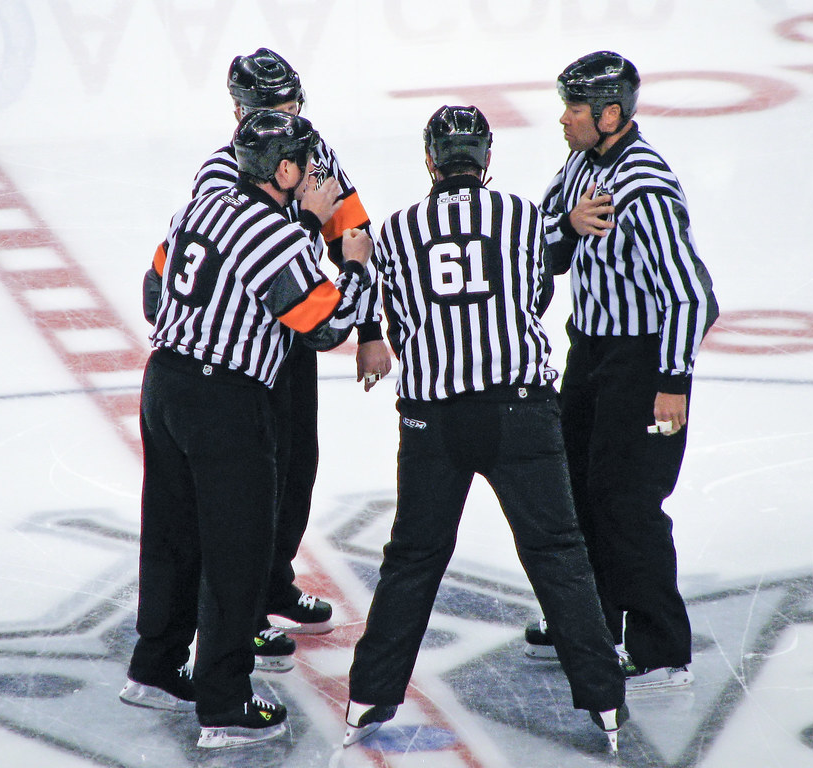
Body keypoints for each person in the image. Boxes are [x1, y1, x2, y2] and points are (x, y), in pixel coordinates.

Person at [343, 105, 628, 753]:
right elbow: (534, 295)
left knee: (412, 561)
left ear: (429, 161)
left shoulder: (398, 230)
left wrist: (360, 259)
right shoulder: (523, 217)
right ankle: (605, 703)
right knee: (557, 554)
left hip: (433, 419)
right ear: (487, 160)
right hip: (519, 410)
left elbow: (382, 310)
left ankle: (368, 697)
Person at [120, 109, 372, 749]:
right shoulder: (276, 234)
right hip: (224, 401)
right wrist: (349, 258)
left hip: (164, 384)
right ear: (283, 170)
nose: (316, 176)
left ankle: (153, 667)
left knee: (172, 535)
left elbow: (154, 287)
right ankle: (225, 702)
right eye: (305, 166)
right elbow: (324, 326)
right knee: (237, 553)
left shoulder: (202, 207)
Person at [143, 47, 392, 670]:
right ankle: (242, 613)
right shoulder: (220, 176)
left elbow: (352, 230)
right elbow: (272, 258)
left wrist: (370, 328)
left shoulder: (311, 148)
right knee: (246, 491)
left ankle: (269, 582)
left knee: (295, 467)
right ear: (238, 113)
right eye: (272, 109)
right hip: (241, 355)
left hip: (286, 341)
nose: (287, 117)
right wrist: (304, 217)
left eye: (292, 105)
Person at [523, 51, 719, 693]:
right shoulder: (581, 164)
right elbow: (535, 240)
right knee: (575, 487)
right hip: (591, 354)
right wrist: (567, 226)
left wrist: (673, 383)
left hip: (640, 363)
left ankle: (662, 650)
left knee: (627, 503)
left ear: (610, 114)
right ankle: (590, 623)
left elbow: (691, 295)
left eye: (574, 109)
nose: (563, 119)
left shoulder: (645, 187)